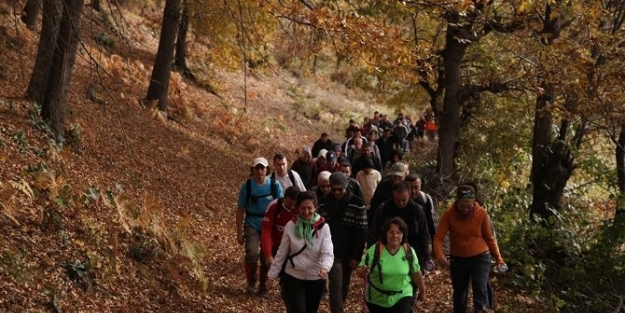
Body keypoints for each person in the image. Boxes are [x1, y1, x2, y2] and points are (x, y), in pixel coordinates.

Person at [433, 184, 506, 313]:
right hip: (458, 259)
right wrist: (439, 254)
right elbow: (439, 237)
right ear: (457, 202)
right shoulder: (449, 214)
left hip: (480, 256)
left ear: (474, 202)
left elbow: (489, 238)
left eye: (469, 206)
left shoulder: (481, 213)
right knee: (460, 292)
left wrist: (499, 259)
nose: (466, 209)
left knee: (480, 287)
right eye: (462, 206)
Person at [266, 191, 334, 313]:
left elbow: (327, 253)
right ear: (297, 208)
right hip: (293, 276)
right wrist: (271, 276)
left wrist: (325, 268)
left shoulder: (323, 228)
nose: (306, 212)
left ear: (315, 208)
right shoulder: (290, 226)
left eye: (309, 208)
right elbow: (281, 253)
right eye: (303, 208)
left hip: (316, 278)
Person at [318, 172, 368, 313]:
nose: (337, 192)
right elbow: (319, 227)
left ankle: (339, 305)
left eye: (340, 189)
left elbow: (362, 230)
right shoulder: (323, 202)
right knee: (336, 284)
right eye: (333, 189)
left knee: (345, 283)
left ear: (346, 187)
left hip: (350, 249)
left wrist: (357, 255)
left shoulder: (357, 203)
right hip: (331, 251)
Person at [356, 217, 426, 313]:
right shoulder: (375, 250)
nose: (395, 235)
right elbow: (359, 271)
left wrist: (422, 290)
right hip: (377, 298)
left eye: (398, 232)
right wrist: (363, 271)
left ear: (403, 235)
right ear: (386, 233)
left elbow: (416, 272)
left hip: (402, 295)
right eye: (391, 232)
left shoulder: (408, 251)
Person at [236, 157, 284, 296]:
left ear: (267, 170)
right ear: (253, 170)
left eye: (262, 168)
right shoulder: (247, 186)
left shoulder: (275, 186)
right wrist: (239, 232)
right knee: (252, 253)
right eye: (257, 168)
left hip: (269, 225)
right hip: (252, 223)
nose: (260, 171)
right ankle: (251, 281)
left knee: (266, 255)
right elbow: (240, 209)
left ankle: (263, 286)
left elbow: (281, 207)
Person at [369, 181, 432, 270]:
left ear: (409, 194)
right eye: (397, 200)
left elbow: (424, 234)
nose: (401, 203)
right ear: (393, 195)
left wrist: (426, 257)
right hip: (387, 252)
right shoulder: (384, 209)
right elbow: (374, 233)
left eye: (404, 200)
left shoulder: (416, 210)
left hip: (412, 251)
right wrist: (372, 255)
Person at [261, 186, 300, 305]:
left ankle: (287, 290)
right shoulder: (274, 206)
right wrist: (268, 255)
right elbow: (266, 230)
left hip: (291, 245)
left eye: (294, 205)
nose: (292, 207)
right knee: (266, 263)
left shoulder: (300, 208)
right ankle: (264, 288)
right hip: (275, 242)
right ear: (285, 198)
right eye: (290, 204)